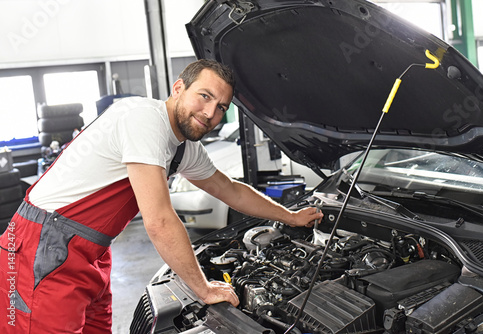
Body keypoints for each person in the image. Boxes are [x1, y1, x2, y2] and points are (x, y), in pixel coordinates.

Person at [0, 59, 323, 333]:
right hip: (42, 245)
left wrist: (290, 216)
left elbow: (229, 189)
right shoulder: (144, 118)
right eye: (204, 96)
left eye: (221, 106)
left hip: (90, 248)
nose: (211, 113)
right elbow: (158, 220)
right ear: (179, 88)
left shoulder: (183, 147)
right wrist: (204, 288)